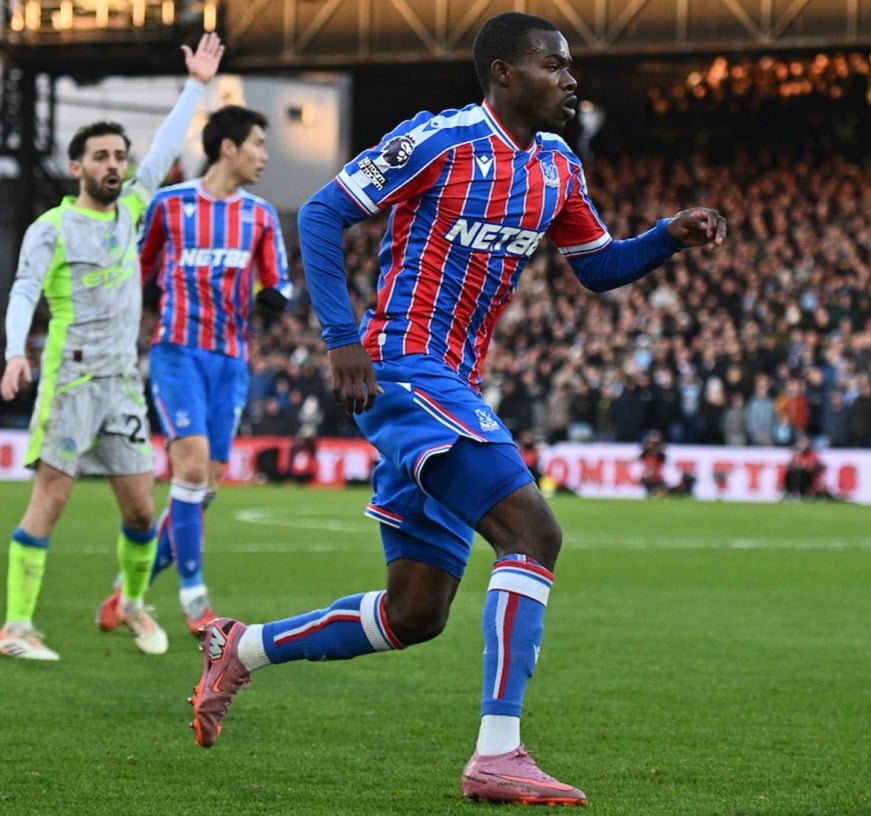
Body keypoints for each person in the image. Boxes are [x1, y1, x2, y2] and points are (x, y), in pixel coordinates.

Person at [186, 11, 726, 806]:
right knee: (533, 530)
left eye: (570, 67)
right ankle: (498, 754)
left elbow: (598, 267)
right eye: (554, 64)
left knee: (415, 613)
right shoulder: (439, 139)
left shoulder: (557, 169)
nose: (571, 79)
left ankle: (246, 647)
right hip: (402, 367)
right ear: (504, 73)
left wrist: (666, 237)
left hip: (455, 382)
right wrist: (342, 339)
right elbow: (331, 212)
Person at [0, 34, 225, 660]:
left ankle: (130, 604)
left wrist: (196, 87)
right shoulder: (52, 227)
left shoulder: (130, 209)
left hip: (124, 381)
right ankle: (16, 627)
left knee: (138, 508)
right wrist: (15, 351)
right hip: (71, 378)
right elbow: (22, 292)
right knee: (54, 496)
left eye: (118, 156)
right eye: (100, 156)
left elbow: (163, 150)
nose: (114, 165)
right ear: (77, 167)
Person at [98, 103, 292, 636]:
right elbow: (136, 270)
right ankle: (195, 599)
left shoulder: (260, 216)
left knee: (203, 486)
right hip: (178, 351)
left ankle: (124, 593)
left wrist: (276, 293)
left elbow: (278, 279)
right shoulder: (168, 205)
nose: (265, 155)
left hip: (230, 362)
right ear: (228, 147)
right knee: (189, 471)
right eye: (257, 143)